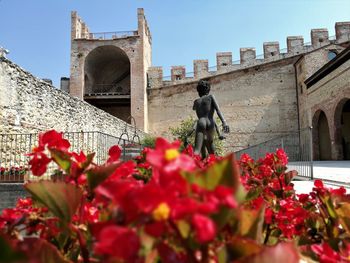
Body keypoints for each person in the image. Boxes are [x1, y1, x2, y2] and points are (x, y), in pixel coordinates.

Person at [191, 79, 229, 157]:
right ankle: (214, 164)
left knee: (197, 150)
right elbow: (218, 110)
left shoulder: (196, 101)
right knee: (211, 148)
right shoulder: (211, 97)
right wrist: (224, 122)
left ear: (198, 91)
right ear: (208, 89)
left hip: (201, 122)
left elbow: (194, 108)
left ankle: (191, 166)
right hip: (210, 122)